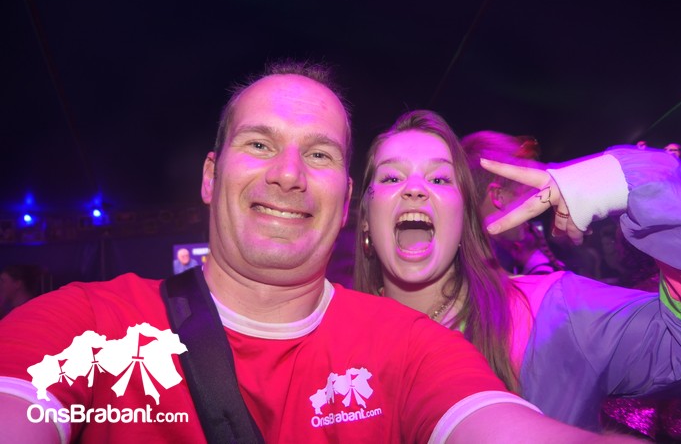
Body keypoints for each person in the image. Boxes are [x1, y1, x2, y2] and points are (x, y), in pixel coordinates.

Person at [0, 63, 639, 444]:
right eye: (259, 144)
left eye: (319, 153)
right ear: (210, 176)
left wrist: (639, 179)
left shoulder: (407, 346)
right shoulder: (86, 325)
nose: (288, 174)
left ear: (347, 197)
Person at [354, 109, 681, 432]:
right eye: (392, 177)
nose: (415, 189)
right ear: (366, 218)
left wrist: (638, 179)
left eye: (440, 179)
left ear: (463, 220)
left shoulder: (554, 313)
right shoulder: (337, 343)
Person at [460, 131, 565, 276]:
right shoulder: (495, 279)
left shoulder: (464, 260)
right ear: (499, 196)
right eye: (526, 196)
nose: (532, 212)